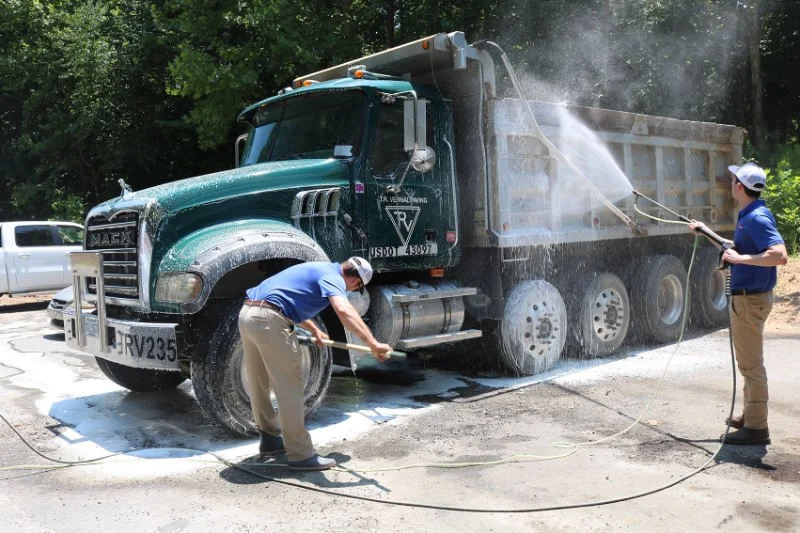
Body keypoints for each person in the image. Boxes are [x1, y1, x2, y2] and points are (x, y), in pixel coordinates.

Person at [239, 257, 393, 470]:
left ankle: (270, 439)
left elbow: (287, 301)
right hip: (269, 320)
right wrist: (373, 343)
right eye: (356, 287)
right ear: (356, 281)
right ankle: (300, 454)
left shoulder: (318, 268)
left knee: (259, 382)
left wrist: (315, 330)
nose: (351, 290)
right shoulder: (334, 278)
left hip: (248, 314)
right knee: (289, 387)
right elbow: (344, 310)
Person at [689, 162, 787, 446]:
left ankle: (757, 428)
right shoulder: (749, 215)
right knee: (747, 362)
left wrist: (742, 260)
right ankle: (750, 415)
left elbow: (779, 255)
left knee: (751, 365)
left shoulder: (757, 218)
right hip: (747, 299)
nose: (730, 184)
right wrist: (706, 231)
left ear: (740, 187)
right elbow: (736, 249)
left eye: (733, 181)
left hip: (750, 300)